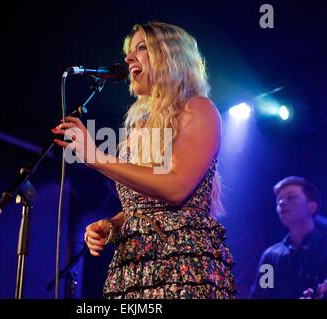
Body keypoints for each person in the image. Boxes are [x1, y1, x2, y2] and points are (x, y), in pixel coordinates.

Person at [52, 21, 236, 299]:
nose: (127, 58)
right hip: (134, 268)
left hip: (181, 265)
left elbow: (175, 189)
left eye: (141, 48)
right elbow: (148, 206)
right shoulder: (142, 126)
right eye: (128, 51)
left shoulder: (198, 109)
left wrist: (97, 158)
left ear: (171, 56)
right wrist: (113, 224)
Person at [249, 176, 327, 299]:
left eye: (291, 197)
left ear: (312, 207)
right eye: (279, 200)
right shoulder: (270, 256)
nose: (282, 202)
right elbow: (260, 295)